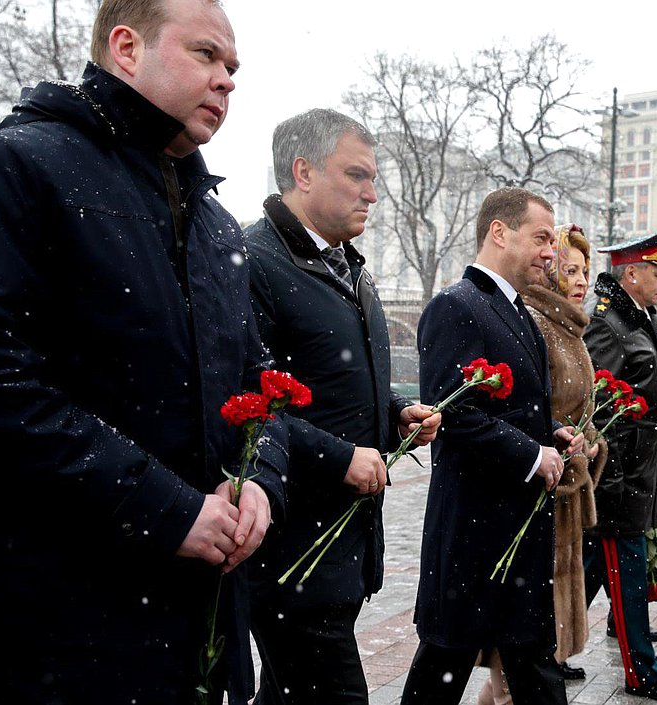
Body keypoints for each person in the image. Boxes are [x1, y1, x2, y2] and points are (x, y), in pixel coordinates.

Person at [0, 0, 285, 702]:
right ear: (126, 47)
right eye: (207, 55)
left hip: (200, 627)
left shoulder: (214, 221)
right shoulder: (20, 168)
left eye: (234, 67)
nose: (228, 81)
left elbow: (262, 381)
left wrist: (260, 486)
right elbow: (0, 380)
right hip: (66, 629)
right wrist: (165, 508)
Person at [243, 109, 441, 705]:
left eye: (373, 177)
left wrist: (395, 411)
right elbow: (247, 404)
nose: (372, 193)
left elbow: (331, 384)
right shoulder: (254, 261)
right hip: (294, 547)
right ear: (303, 171)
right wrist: (336, 459)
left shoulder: (345, 264)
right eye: (357, 175)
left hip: (342, 544)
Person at [402, 188, 584, 705]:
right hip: (472, 536)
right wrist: (533, 455)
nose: (552, 251)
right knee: (442, 669)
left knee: (534, 670)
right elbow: (451, 411)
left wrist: (550, 437)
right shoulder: (455, 306)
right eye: (542, 238)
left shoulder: (518, 313)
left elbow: (511, 410)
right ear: (499, 232)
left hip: (517, 536)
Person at [478, 223, 607, 705]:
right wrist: (556, 444)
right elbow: (528, 410)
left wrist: (589, 442)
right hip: (535, 496)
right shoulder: (533, 321)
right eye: (569, 269)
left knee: (529, 663)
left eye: (585, 272)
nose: (579, 280)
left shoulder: (570, 325)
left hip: (563, 498)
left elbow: (579, 409)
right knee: (517, 666)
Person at [583, 229, 657, 703]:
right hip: (620, 482)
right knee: (627, 581)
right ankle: (643, 671)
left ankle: (544, 650)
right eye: (656, 274)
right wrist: (611, 484)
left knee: (594, 571)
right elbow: (600, 412)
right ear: (630, 274)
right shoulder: (608, 326)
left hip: (641, 477)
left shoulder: (639, 320)